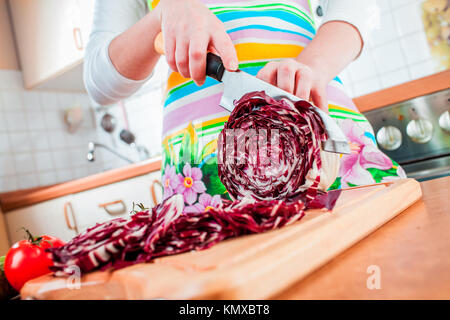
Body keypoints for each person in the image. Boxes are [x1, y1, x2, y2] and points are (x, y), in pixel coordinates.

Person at [84, 0, 406, 211]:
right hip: (205, 179)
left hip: (325, 152)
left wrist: (313, 66)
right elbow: (100, 79)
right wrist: (165, 13)